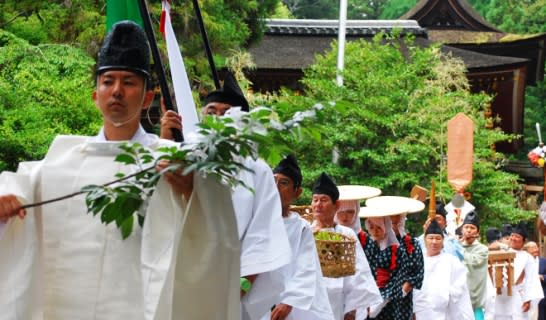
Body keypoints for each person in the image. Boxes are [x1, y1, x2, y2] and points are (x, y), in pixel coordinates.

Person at [0, 21, 241, 319]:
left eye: (128, 82)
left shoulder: (171, 162)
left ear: (147, 98)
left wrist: (193, 191)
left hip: (139, 306)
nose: (116, 91)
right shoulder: (63, 160)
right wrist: (5, 205)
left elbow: (218, 227)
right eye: (108, 81)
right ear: (95, 95)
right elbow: (17, 189)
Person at [159, 70, 292, 319]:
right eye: (211, 112)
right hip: (180, 277)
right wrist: (165, 140)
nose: (218, 118)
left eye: (226, 112)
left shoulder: (256, 169)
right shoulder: (185, 158)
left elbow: (261, 235)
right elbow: (160, 206)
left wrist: (239, 287)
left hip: (230, 284)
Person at [262, 154, 335, 320]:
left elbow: (307, 267)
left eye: (284, 183)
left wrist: (288, 302)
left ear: (297, 192)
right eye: (273, 181)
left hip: (289, 306)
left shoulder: (301, 227)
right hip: (256, 301)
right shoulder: (257, 221)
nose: (276, 187)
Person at [311, 172, 382, 320]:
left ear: (336, 205)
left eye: (323, 200)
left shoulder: (347, 234)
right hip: (310, 300)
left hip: (339, 302)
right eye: (315, 200)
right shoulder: (305, 231)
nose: (318, 205)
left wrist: (352, 309)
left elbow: (359, 273)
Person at [413, 220, 474, 320]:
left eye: (438, 238)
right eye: (431, 238)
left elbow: (460, 286)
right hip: (421, 310)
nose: (434, 242)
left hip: (446, 311)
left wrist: (444, 295)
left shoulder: (451, 261)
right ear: (424, 240)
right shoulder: (417, 260)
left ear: (443, 241)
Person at [494, 222, 544, 320]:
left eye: (517, 236)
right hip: (501, 295)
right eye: (512, 235)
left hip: (518, 294)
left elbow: (532, 279)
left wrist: (528, 299)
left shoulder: (527, 257)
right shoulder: (501, 253)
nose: (513, 238)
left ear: (523, 241)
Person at [460, 211, 490, 320]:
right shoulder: (455, 246)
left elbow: (473, 262)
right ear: (461, 230)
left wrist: (458, 248)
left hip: (475, 299)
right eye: (466, 227)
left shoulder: (482, 249)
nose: (468, 230)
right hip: (458, 297)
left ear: (478, 231)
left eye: (472, 228)